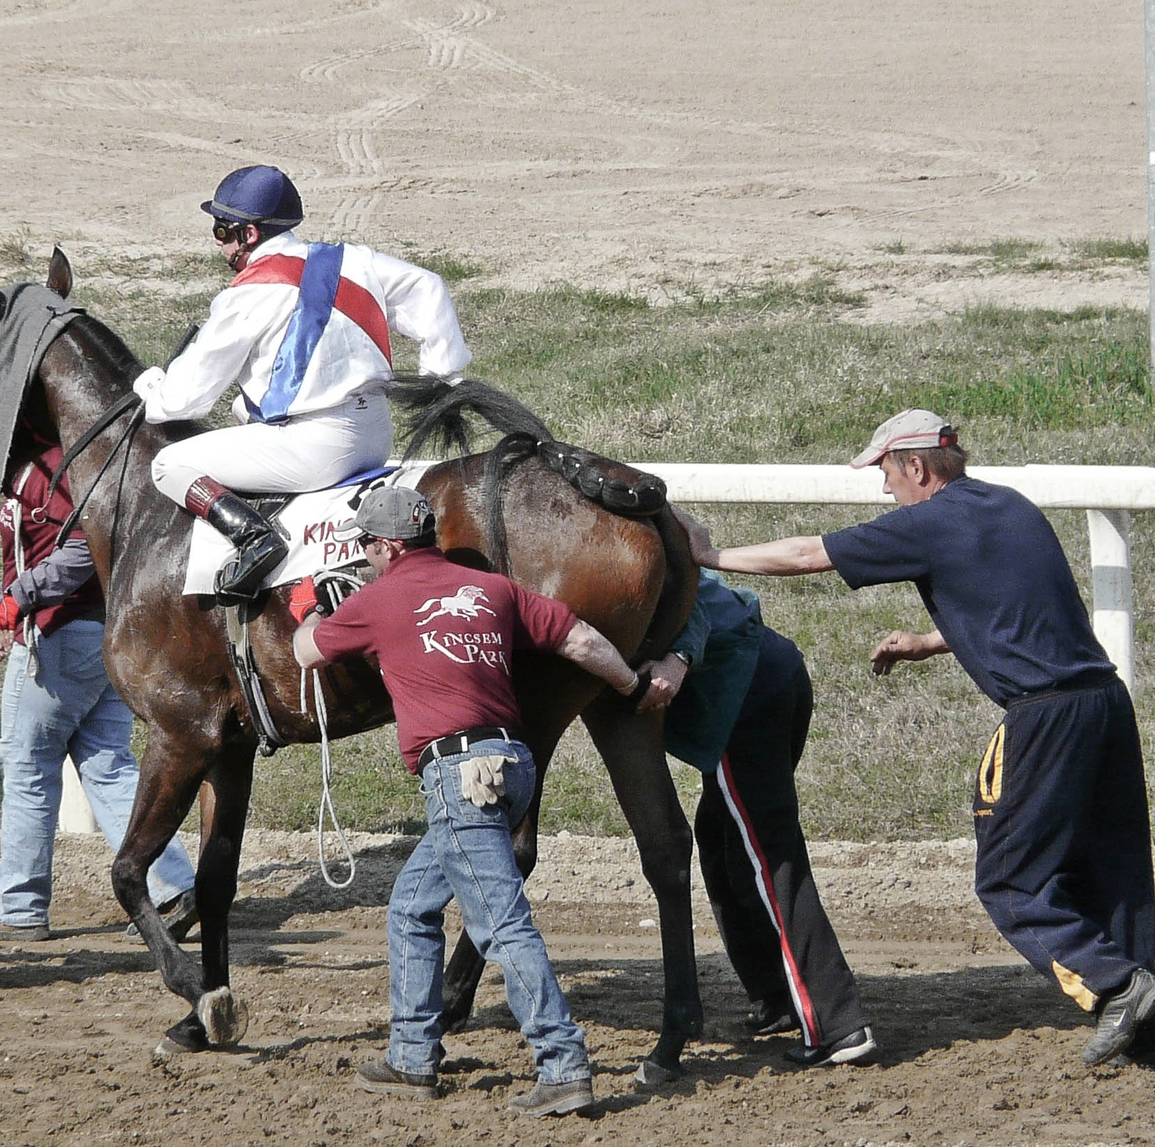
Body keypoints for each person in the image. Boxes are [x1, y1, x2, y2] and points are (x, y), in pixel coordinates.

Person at [677, 408, 1155, 1067]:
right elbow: (1022, 603)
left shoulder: (930, 520)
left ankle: (1116, 984)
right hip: (1104, 702)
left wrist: (711, 554)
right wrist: (932, 640)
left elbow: (809, 554)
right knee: (1118, 872)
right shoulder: (1011, 504)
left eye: (887, 473)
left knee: (1009, 881)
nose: (885, 490)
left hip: (1042, 719)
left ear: (918, 467)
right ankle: (1148, 1017)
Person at [292, 487, 643, 1117]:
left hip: (457, 775)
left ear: (389, 545)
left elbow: (306, 653)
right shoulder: (498, 591)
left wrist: (310, 609)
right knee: (410, 907)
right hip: (513, 767)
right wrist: (631, 685)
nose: (363, 556)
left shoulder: (378, 599)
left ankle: (562, 1063)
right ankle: (410, 1055)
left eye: (366, 546)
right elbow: (582, 642)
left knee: (502, 924)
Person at [131, 164, 472, 600]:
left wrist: (151, 389)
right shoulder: (356, 260)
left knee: (167, 464)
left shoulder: (246, 294)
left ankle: (254, 539)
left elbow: (183, 403)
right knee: (244, 411)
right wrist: (440, 378)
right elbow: (429, 286)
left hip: (316, 448)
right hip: (375, 433)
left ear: (249, 234)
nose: (219, 244)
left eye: (221, 230)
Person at [0, 427, 197, 943]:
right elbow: (36, 553)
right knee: (107, 765)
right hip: (101, 634)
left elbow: (84, 547)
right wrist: (3, 611)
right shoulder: (51, 466)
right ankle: (174, 887)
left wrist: (18, 599)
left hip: (62, 635)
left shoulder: (51, 471)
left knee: (27, 764)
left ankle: (17, 906)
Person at [637, 570, 874, 1066]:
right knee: (723, 842)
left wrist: (677, 659)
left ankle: (838, 1024)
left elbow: (694, 612)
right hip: (772, 671)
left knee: (769, 858)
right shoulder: (645, 530)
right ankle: (777, 995)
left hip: (741, 698)